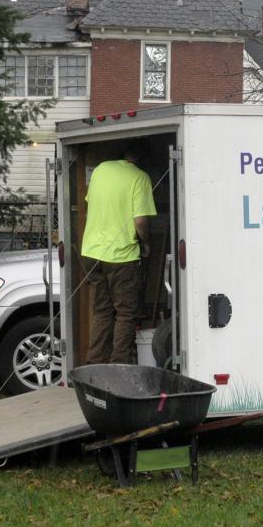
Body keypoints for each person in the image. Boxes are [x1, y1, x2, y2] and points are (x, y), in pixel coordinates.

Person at [81, 144, 158, 365]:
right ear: (143, 160)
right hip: (121, 257)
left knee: (102, 311)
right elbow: (140, 221)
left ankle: (94, 364)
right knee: (125, 313)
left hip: (91, 253)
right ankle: (119, 364)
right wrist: (146, 243)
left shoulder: (101, 169)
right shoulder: (140, 177)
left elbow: (92, 203)